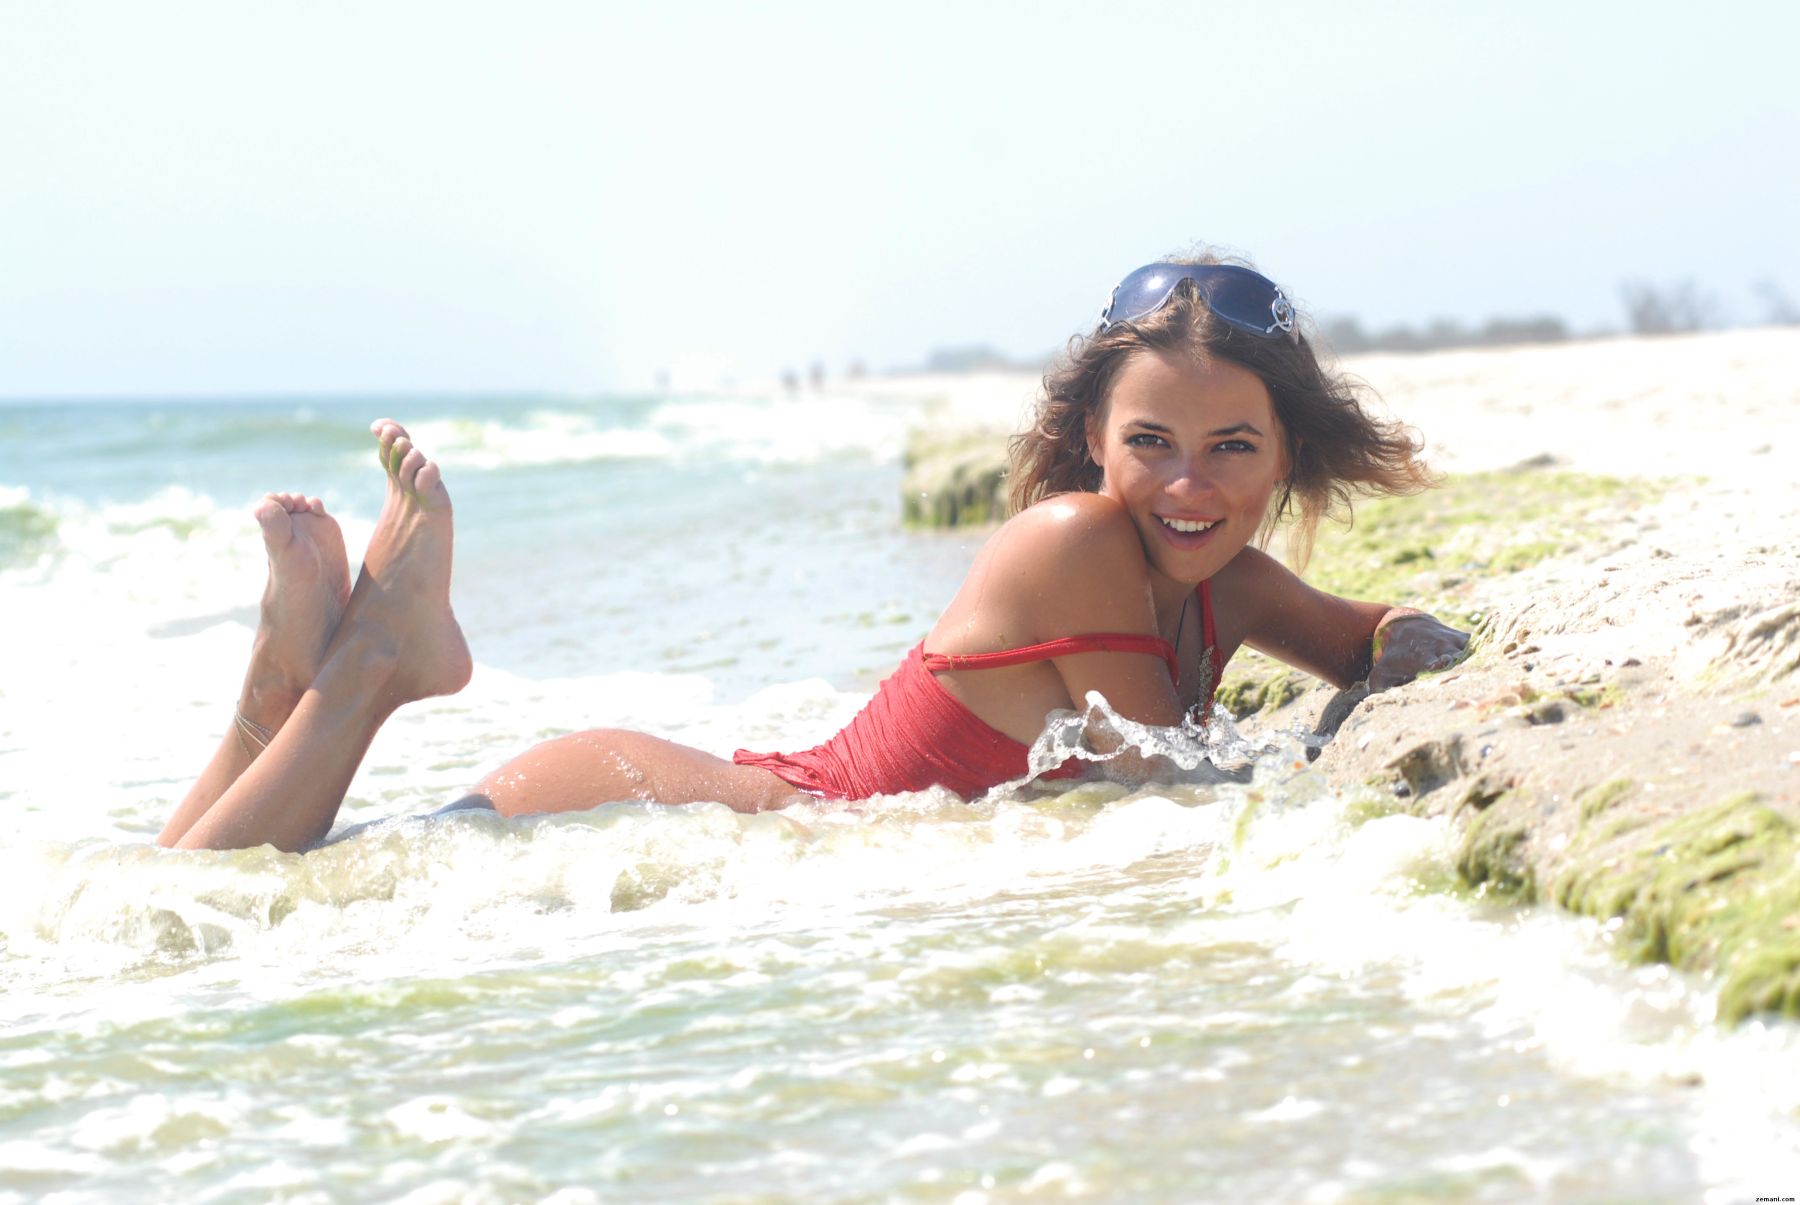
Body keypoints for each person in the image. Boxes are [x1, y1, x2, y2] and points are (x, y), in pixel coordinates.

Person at [157, 256, 1469, 853]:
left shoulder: (1222, 579)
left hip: (708, 812)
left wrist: (1401, 645)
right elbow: (1164, 783)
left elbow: (1369, 640)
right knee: (234, 909)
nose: (1190, 485)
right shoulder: (1072, 539)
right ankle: (374, 661)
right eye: (1151, 443)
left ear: (1287, 452)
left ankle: (284, 682)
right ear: (1091, 441)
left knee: (209, 887)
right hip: (642, 810)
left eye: (1233, 447)